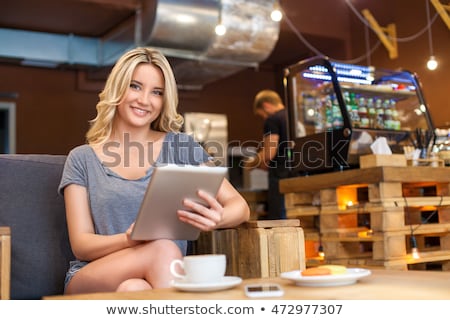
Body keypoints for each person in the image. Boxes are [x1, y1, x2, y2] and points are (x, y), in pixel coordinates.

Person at [58, 47, 250, 295]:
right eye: (135, 86)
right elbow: (82, 245)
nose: (144, 100)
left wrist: (216, 219)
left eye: (156, 92)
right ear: (118, 88)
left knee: (134, 288)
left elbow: (240, 206)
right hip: (93, 275)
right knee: (162, 247)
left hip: (156, 277)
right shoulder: (81, 158)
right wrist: (131, 239)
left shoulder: (181, 147)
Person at [243, 89, 291, 220]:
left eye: (262, 114)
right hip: (295, 176)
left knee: (279, 220)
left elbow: (269, 153)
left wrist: (250, 164)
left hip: (280, 180)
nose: (264, 117)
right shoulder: (294, 117)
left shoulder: (273, 119)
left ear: (266, 105)